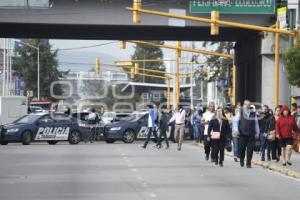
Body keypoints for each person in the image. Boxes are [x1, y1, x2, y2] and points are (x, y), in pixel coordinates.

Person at [238, 100, 260, 168]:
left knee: (250, 150)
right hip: (242, 134)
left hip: (251, 134)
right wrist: (236, 130)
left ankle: (248, 163)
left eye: (248, 104)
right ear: (243, 105)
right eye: (245, 104)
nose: (247, 106)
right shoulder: (240, 113)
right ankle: (241, 159)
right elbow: (235, 121)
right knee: (242, 149)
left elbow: (256, 123)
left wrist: (257, 132)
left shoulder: (253, 113)